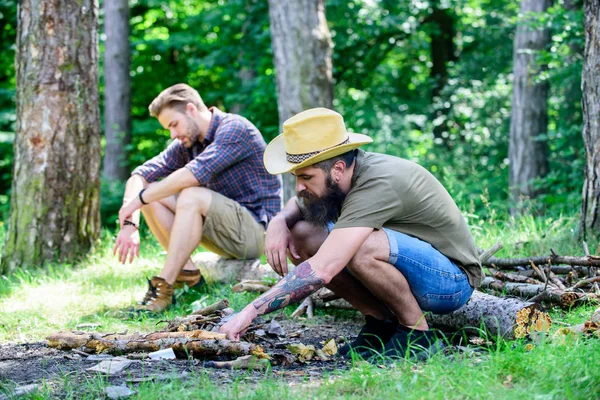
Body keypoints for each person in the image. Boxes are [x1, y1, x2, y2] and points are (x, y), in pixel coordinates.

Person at [220, 108, 483, 359]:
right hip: (414, 265)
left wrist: (249, 312)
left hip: (451, 281)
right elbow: (298, 205)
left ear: (337, 169)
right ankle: (381, 324)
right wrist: (279, 221)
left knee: (359, 245)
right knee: (304, 234)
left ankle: (417, 335)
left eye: (306, 178)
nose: (299, 187)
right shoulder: (342, 177)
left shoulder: (377, 183)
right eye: (296, 177)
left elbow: (323, 268)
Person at [114, 83, 282, 312]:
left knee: (189, 194)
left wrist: (139, 199)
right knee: (154, 194)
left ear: (192, 110)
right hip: (224, 232)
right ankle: (191, 276)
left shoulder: (234, 128)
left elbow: (193, 174)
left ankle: (164, 286)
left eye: (174, 124)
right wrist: (130, 220)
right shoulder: (187, 143)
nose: (173, 134)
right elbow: (141, 174)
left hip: (259, 233)